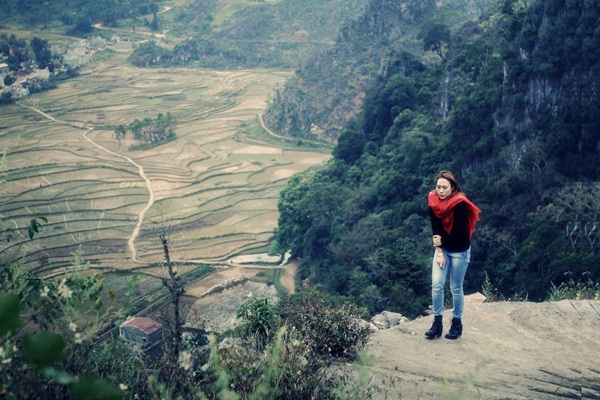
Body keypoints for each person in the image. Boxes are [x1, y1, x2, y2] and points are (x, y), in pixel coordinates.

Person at [424, 170, 481, 340]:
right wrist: (439, 252)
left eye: (444, 187)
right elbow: (436, 229)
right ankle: (437, 323)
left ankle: (457, 323)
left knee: (455, 288)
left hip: (459, 250)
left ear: (452, 188)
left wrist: (440, 244)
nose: (440, 191)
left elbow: (458, 234)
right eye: (438, 187)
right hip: (443, 249)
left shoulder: (459, 204)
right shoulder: (433, 201)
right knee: (437, 285)